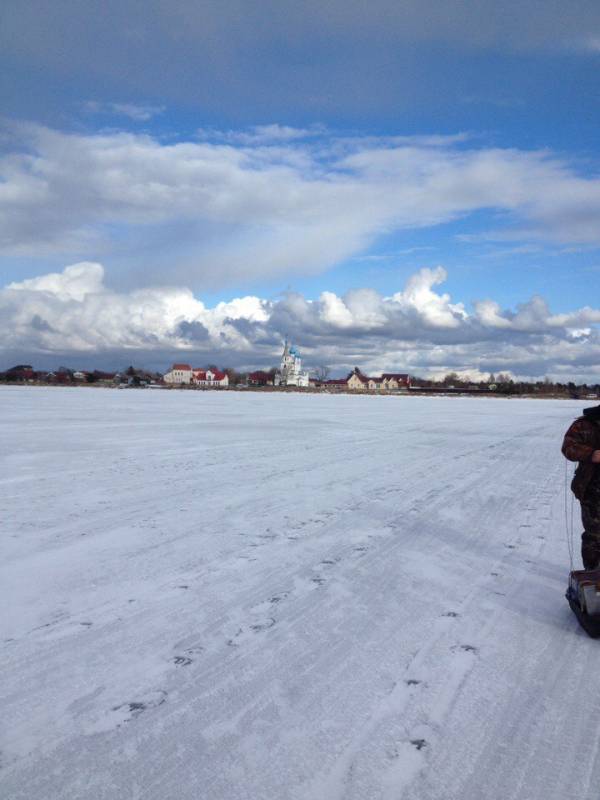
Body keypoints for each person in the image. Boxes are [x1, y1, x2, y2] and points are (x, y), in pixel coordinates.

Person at [562, 404, 600, 569]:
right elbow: (568, 448)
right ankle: (591, 574)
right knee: (594, 535)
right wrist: (590, 454)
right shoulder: (584, 424)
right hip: (592, 490)